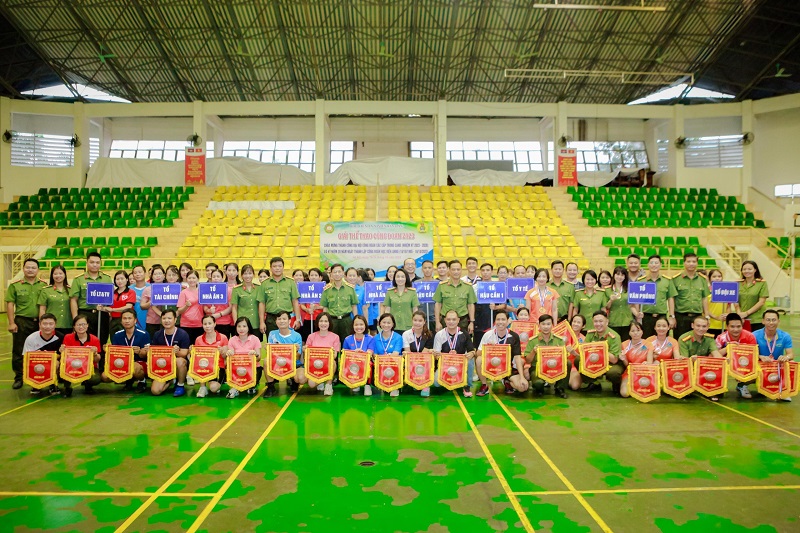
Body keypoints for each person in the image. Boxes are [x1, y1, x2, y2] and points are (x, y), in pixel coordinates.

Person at [69, 252, 113, 345]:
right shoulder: (79, 279)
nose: (95, 265)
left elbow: (110, 299)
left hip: (102, 314)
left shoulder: (107, 279)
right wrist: (76, 319)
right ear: (87, 263)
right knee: (85, 342)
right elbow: (73, 300)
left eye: (97, 262)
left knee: (102, 342)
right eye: (92, 262)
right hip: (85, 314)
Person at [476, 310, 522, 397]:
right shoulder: (488, 335)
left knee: (522, 387)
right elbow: (478, 353)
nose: (500, 322)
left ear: (508, 321)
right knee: (479, 360)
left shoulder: (514, 336)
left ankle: (506, 380)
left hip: (508, 367)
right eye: (498, 319)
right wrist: (488, 348)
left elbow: (517, 357)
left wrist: (522, 377)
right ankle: (484, 385)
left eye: (503, 319)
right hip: (491, 365)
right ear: (495, 321)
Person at [522, 313, 569, 398]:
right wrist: (533, 352)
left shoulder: (559, 340)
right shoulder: (533, 341)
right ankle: (539, 389)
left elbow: (565, 358)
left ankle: (560, 388)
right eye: (543, 324)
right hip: (537, 368)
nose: (546, 327)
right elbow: (528, 360)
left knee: (568, 363)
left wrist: (560, 352)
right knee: (538, 384)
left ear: (552, 325)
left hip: (554, 367)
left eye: (548, 324)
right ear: (539, 325)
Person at [576, 311, 623, 394]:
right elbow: (584, 353)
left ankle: (616, 385)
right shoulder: (590, 334)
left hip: (611, 363)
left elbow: (614, 360)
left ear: (607, 322)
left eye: (601, 321)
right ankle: (594, 383)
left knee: (614, 372)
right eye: (595, 321)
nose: (598, 324)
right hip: (595, 361)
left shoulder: (614, 336)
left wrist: (599, 348)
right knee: (578, 360)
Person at [752, 309, 794, 402]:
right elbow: (750, 354)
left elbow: (791, 354)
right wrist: (760, 357)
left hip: (776, 365)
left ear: (778, 321)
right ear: (763, 321)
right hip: (760, 364)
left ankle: (784, 390)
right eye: (768, 320)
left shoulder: (785, 336)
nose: (771, 323)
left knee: (791, 363)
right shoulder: (754, 335)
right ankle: (743, 385)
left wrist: (786, 357)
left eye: (774, 320)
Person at [59, 313, 105, 397]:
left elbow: (97, 359)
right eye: (78, 325)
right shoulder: (68, 337)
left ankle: (88, 384)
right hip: (72, 367)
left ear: (87, 325)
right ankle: (67, 387)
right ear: (74, 326)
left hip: (89, 367)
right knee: (62, 369)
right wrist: (62, 351)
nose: (81, 327)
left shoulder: (94, 339)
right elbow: (64, 357)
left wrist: (95, 354)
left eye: (83, 324)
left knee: (95, 379)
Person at [432, 309, 476, 398]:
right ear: (445, 320)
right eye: (448, 319)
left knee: (470, 360)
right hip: (445, 366)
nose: (451, 322)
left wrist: (471, 353)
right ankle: (452, 381)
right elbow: (436, 357)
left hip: (460, 366)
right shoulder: (439, 335)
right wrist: (446, 356)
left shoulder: (464, 333)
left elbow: (472, 350)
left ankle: (467, 386)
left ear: (458, 320)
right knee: (436, 384)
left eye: (454, 319)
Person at [714, 312, 757, 399]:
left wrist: (740, 369)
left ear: (742, 325)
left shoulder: (750, 336)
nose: (736, 329)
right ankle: (717, 387)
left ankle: (742, 385)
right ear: (727, 327)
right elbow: (713, 355)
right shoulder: (721, 338)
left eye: (738, 326)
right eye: (732, 327)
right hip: (727, 364)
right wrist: (728, 348)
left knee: (758, 369)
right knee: (714, 364)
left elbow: (753, 355)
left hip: (744, 364)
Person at [149, 309, 191, 397]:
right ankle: (172, 381)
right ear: (161, 320)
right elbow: (153, 354)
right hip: (163, 366)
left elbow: (184, 353)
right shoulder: (157, 334)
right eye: (164, 318)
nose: (166, 321)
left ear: (175, 320)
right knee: (155, 391)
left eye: (169, 318)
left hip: (176, 365)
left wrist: (176, 352)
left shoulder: (183, 334)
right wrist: (148, 350)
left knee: (180, 361)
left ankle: (180, 385)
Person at [635, 255, 677, 339]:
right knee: (646, 341)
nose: (654, 265)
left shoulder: (667, 281)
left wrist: (672, 316)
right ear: (648, 265)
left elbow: (670, 298)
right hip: (646, 317)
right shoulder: (640, 281)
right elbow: (637, 300)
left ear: (660, 265)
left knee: (663, 340)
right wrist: (637, 316)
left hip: (662, 316)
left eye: (656, 263)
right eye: (651, 263)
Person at [259, 257, 302, 335]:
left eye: (279, 266)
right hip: (271, 319)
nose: (277, 268)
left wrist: (298, 319)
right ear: (270, 268)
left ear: (283, 267)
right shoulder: (265, 283)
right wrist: (261, 322)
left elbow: (295, 301)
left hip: (287, 318)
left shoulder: (290, 282)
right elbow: (262, 303)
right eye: (274, 266)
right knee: (272, 341)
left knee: (287, 340)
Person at [110, 308, 150, 393]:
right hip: (123, 362)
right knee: (105, 376)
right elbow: (114, 354)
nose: (127, 321)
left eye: (129, 318)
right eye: (124, 318)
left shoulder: (144, 334)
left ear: (135, 320)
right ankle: (128, 380)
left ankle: (142, 381)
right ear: (121, 321)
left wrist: (140, 352)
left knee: (135, 367)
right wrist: (108, 350)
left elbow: (147, 354)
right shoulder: (117, 335)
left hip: (140, 362)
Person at [22, 313, 63, 395]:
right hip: (36, 363)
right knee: (32, 363)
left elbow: (62, 356)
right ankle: (35, 384)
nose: (48, 326)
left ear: (55, 325)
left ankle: (53, 383)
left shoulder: (60, 337)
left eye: (51, 324)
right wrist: (36, 356)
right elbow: (25, 357)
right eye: (45, 324)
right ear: (39, 324)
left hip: (53, 363)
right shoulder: (31, 338)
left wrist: (48, 357)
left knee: (56, 363)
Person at [264, 311, 303, 398]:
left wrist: (294, 350)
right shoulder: (272, 334)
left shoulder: (297, 335)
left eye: (284, 319)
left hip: (292, 363)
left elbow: (297, 357)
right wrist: (268, 348)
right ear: (276, 321)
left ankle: (293, 381)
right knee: (266, 360)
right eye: (279, 319)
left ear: (289, 321)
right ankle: (270, 387)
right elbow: (270, 355)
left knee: (301, 378)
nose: (281, 321)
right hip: (277, 363)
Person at [301, 313, 340, 396]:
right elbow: (307, 355)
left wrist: (332, 353)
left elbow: (335, 356)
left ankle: (328, 385)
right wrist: (304, 350)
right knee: (311, 384)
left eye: (326, 321)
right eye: (321, 321)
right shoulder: (311, 336)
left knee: (333, 363)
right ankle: (321, 381)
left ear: (329, 323)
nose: (323, 323)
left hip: (327, 365)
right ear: (317, 323)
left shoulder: (335, 337)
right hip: (314, 366)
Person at [672, 253, 711, 338]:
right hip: (681, 317)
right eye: (688, 261)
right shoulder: (676, 279)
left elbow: (704, 298)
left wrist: (707, 315)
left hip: (697, 316)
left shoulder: (702, 279)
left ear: (697, 263)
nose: (691, 264)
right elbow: (672, 298)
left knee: (697, 340)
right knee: (680, 340)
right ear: (684, 263)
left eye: (694, 261)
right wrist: (672, 316)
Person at [433, 259, 476, 333]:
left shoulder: (468, 287)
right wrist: (437, 321)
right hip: (446, 321)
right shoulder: (442, 286)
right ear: (449, 270)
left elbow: (470, 305)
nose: (456, 272)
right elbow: (438, 304)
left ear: (461, 270)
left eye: (458, 269)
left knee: (462, 340)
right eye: (453, 269)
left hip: (462, 321)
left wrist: (472, 322)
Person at [320, 263, 360, 343]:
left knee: (347, 343)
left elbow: (354, 306)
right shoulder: (326, 290)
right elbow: (325, 307)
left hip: (346, 320)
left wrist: (356, 320)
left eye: (339, 272)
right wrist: (325, 321)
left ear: (343, 273)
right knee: (331, 343)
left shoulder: (350, 288)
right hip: (332, 320)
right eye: (335, 272)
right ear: (331, 274)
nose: (337, 274)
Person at [193, 315, 229, 398]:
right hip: (205, 367)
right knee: (200, 363)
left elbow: (225, 357)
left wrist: (222, 351)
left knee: (213, 388)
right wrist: (192, 351)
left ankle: (214, 382)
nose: (207, 326)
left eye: (210, 323)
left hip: (218, 367)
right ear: (202, 325)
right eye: (205, 324)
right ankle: (202, 387)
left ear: (215, 324)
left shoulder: (223, 337)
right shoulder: (198, 339)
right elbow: (196, 358)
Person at [402, 310, 435, 397]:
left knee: (428, 360)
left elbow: (424, 354)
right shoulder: (406, 334)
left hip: (424, 361)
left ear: (424, 322)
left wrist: (413, 355)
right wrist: (408, 354)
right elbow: (407, 352)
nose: (417, 323)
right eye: (415, 320)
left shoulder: (429, 335)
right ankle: (413, 380)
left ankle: (426, 385)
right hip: (411, 362)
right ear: (412, 320)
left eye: (420, 321)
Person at [227, 317, 262, 398]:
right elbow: (230, 359)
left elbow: (259, 358)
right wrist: (229, 353)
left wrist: (255, 355)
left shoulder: (255, 339)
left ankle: (250, 386)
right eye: (239, 326)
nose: (241, 329)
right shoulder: (232, 340)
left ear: (248, 327)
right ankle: (235, 387)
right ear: (236, 327)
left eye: (244, 326)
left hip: (253, 369)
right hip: (237, 370)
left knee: (250, 388)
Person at [342, 315, 376, 396]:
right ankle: (354, 382)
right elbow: (344, 354)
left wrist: (362, 353)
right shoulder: (347, 339)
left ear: (365, 325)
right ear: (352, 326)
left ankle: (367, 385)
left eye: (361, 324)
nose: (359, 327)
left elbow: (370, 352)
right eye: (356, 325)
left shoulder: (370, 338)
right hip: (352, 363)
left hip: (365, 362)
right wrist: (354, 353)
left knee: (369, 364)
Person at [373, 313, 404, 397]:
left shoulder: (398, 337)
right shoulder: (375, 338)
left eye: (389, 323)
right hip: (380, 364)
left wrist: (385, 358)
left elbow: (396, 354)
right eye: (384, 322)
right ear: (379, 323)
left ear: (393, 324)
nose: (386, 325)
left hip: (394, 363)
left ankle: (395, 386)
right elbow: (374, 355)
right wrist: (382, 359)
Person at [619, 321, 653, 398]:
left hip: (644, 372)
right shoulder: (624, 344)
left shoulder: (648, 344)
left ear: (642, 332)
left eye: (638, 330)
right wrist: (623, 359)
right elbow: (626, 364)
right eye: (633, 331)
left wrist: (646, 363)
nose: (635, 333)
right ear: (629, 333)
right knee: (624, 393)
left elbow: (650, 362)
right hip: (629, 372)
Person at [38, 265, 72, 338]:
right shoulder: (46, 290)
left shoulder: (71, 290)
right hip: (50, 326)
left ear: (65, 275)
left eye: (60, 273)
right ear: (52, 275)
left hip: (68, 325)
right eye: (55, 274)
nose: (58, 276)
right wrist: (41, 325)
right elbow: (42, 309)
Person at [382, 269, 419, 334]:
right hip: (393, 325)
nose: (400, 279)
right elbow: (387, 309)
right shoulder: (390, 292)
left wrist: (415, 323)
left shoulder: (412, 292)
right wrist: (387, 323)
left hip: (408, 325)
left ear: (406, 278)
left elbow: (415, 309)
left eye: (402, 277)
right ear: (395, 278)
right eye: (398, 277)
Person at [605, 266, 636, 342]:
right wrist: (611, 300)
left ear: (625, 277)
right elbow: (606, 307)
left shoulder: (630, 289)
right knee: (614, 342)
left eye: (622, 275)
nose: (619, 277)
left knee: (626, 342)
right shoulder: (607, 290)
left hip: (627, 320)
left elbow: (632, 305)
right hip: (613, 320)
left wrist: (637, 314)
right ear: (614, 275)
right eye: (618, 274)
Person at [737, 260, 769, 331]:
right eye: (744, 269)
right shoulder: (738, 283)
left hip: (757, 319)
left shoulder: (762, 283)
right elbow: (735, 301)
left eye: (749, 269)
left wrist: (746, 313)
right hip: (741, 319)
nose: (746, 271)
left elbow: (761, 302)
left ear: (755, 270)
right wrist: (739, 314)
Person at [231, 264, 262, 336]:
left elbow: (261, 305)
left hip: (255, 322)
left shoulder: (259, 288)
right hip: (242, 323)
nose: (248, 276)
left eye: (250, 273)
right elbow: (234, 308)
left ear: (253, 275)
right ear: (241, 275)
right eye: (245, 274)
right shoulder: (236, 289)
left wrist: (261, 321)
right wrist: (236, 323)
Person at [203, 268, 234, 338]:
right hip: (209, 322)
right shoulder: (206, 290)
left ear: (222, 278)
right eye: (214, 277)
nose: (216, 278)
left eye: (218, 276)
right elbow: (204, 307)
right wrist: (209, 310)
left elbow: (230, 307)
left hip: (224, 322)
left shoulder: (228, 290)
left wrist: (219, 314)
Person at [105, 270, 136, 336]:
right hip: (113, 321)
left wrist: (112, 310)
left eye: (122, 279)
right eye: (117, 279)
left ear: (127, 279)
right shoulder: (112, 293)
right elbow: (107, 308)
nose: (120, 281)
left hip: (126, 320)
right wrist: (101, 308)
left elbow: (128, 307)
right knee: (114, 339)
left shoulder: (131, 292)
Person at [177, 270, 204, 344]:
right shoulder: (183, 292)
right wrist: (186, 306)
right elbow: (180, 310)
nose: (191, 280)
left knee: (198, 346)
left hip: (199, 324)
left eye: (194, 278)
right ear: (186, 279)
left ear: (198, 279)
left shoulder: (202, 292)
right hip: (186, 325)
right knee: (186, 346)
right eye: (189, 278)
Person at [298, 267, 324, 342]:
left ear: (320, 277)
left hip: (320, 318)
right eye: (312, 275)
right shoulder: (304, 288)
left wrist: (317, 307)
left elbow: (326, 305)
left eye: (316, 275)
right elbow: (302, 304)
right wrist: (307, 309)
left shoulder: (324, 288)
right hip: (308, 318)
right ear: (309, 277)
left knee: (319, 340)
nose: (313, 277)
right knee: (307, 339)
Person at [140, 264, 166, 338]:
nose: (158, 276)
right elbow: (142, 306)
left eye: (160, 273)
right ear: (152, 276)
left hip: (167, 321)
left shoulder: (169, 288)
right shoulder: (147, 289)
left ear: (164, 276)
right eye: (155, 274)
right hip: (151, 322)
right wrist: (152, 302)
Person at [472, 263, 495, 346]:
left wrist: (496, 307)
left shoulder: (497, 286)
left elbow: (503, 305)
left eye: (488, 270)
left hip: (494, 322)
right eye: (483, 270)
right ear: (480, 272)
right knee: (479, 346)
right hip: (479, 322)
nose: (485, 272)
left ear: (492, 272)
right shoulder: (475, 287)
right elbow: (472, 305)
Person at [706, 269, 730, 336]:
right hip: (710, 324)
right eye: (714, 276)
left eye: (719, 276)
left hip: (723, 324)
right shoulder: (706, 290)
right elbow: (704, 308)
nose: (717, 278)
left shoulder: (726, 290)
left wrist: (727, 315)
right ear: (709, 278)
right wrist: (716, 317)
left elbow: (728, 306)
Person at [130, 265, 150, 330]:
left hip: (149, 321)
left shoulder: (151, 288)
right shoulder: (129, 289)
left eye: (140, 272)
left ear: (145, 273)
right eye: (135, 273)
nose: (138, 274)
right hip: (133, 322)